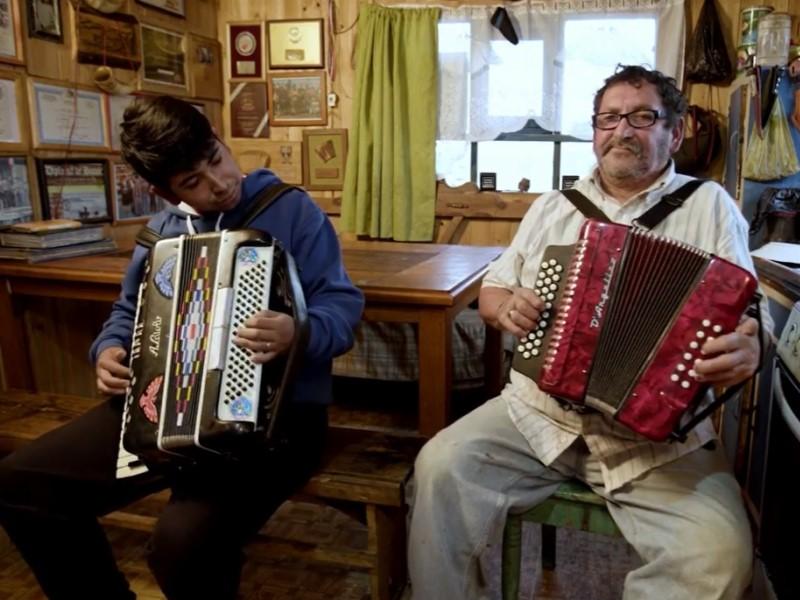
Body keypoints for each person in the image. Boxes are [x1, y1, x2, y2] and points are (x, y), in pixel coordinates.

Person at [408, 65, 773, 600]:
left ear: (674, 134)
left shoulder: (709, 205)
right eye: (608, 118)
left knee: (720, 556)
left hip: (654, 442)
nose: (621, 129)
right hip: (537, 418)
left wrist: (751, 347)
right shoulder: (554, 208)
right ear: (595, 130)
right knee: (437, 468)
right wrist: (506, 308)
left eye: (642, 116)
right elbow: (494, 290)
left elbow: (753, 319)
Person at [0, 96, 364, 599]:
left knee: (181, 544)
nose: (218, 183)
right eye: (192, 181)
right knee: (22, 485)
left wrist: (298, 331)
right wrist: (107, 351)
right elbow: (128, 312)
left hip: (276, 424)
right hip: (160, 409)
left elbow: (342, 306)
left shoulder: (289, 209)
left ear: (218, 136)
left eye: (215, 158)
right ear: (162, 191)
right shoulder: (162, 237)